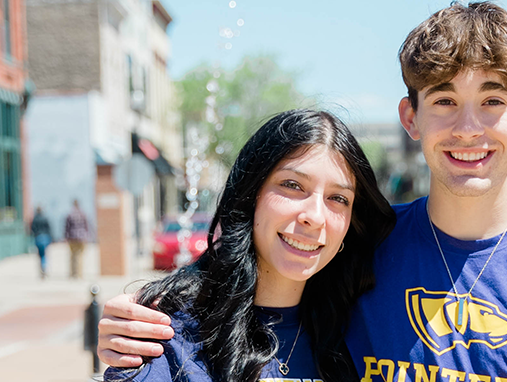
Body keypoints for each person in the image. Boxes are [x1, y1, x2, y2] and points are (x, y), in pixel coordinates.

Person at [97, 3, 507, 381]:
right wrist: (144, 330)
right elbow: (254, 293)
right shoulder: (359, 247)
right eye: (443, 100)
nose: (468, 127)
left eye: (493, 100)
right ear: (410, 118)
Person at [103, 109, 396, 382]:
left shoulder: (362, 336)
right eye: (292, 185)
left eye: (338, 198)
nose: (315, 217)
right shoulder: (165, 333)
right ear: (250, 195)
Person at [64, 199, 89, 278]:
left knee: (73, 256)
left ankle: (73, 273)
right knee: (80, 256)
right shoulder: (83, 214)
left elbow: (67, 228)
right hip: (81, 237)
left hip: (72, 237)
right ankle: (79, 273)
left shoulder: (70, 215)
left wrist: (66, 237)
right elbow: (86, 226)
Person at [30, 206, 52, 279]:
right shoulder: (45, 218)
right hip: (45, 237)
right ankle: (44, 267)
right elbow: (49, 229)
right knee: (44, 254)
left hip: (38, 237)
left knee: (40, 254)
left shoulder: (35, 219)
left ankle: (42, 268)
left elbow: (32, 229)